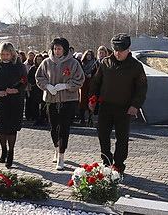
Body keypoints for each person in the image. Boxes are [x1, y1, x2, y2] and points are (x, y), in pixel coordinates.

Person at [88, 33, 147, 173]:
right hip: (105, 106)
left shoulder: (136, 66)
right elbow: (96, 83)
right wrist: (92, 98)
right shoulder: (105, 63)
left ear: (128, 50)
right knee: (102, 134)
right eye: (115, 50)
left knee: (122, 138)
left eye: (120, 51)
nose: (117, 53)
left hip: (124, 108)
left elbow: (142, 88)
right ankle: (106, 160)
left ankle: (119, 164)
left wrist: (135, 105)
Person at [36, 37, 85, 170]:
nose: (57, 51)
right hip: (51, 99)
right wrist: (47, 86)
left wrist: (66, 85)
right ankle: (56, 148)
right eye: (55, 48)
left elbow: (80, 80)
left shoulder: (73, 63)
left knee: (64, 128)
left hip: (68, 100)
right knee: (53, 127)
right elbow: (39, 77)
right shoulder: (46, 62)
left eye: (59, 49)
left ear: (65, 50)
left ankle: (62, 155)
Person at [0, 42, 27, 168]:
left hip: (14, 101)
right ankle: (3, 149)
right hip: (0, 101)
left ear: (12, 54)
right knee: (1, 128)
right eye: (3, 54)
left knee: (12, 128)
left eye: (7, 54)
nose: (5, 57)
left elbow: (24, 82)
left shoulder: (18, 66)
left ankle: (11, 152)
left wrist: (15, 90)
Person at [78, 49, 97, 125]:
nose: (89, 56)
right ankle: (82, 119)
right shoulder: (82, 63)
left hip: (91, 83)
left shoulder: (94, 63)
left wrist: (91, 75)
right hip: (83, 83)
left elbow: (96, 72)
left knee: (90, 100)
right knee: (82, 101)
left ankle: (90, 119)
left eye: (90, 55)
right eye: (87, 55)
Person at [27, 53, 46, 126]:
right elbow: (29, 77)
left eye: (40, 59)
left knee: (43, 105)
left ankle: (42, 119)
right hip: (35, 89)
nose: (39, 61)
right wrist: (35, 82)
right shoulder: (33, 68)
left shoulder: (45, 67)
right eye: (38, 59)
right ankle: (36, 119)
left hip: (43, 89)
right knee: (35, 105)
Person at [24, 51, 35, 121]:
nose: (31, 57)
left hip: (33, 85)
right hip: (26, 84)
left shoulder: (34, 64)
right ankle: (28, 115)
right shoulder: (25, 64)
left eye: (32, 55)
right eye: (30, 55)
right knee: (28, 100)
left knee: (33, 100)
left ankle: (33, 115)